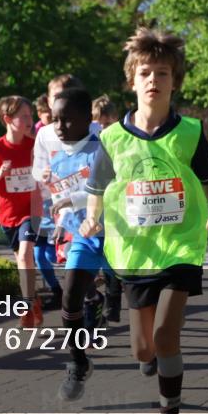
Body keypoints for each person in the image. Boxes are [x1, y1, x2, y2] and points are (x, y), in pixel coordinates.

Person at [81, 28, 208, 414]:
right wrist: (92, 216)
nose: (153, 80)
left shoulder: (190, 133)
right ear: (132, 80)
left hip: (180, 246)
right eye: (146, 72)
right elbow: (96, 189)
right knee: (142, 348)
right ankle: (151, 361)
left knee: (167, 333)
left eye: (162, 73)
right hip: (134, 252)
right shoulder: (111, 139)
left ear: (174, 81)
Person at [47, 87, 109, 401]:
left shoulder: (104, 149)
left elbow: (109, 191)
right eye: (56, 120)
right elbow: (61, 199)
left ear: (88, 118)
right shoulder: (58, 158)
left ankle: (151, 349)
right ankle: (77, 361)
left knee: (143, 310)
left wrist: (73, 198)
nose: (60, 127)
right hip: (84, 238)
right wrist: (60, 224)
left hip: (118, 238)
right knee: (70, 298)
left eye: (68, 120)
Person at [0, 95, 41, 327]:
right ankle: (33, 299)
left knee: (26, 255)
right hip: (8, 215)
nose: (30, 120)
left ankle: (26, 306)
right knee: (22, 261)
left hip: (32, 211)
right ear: (8, 119)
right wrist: (0, 174)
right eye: (24, 116)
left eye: (31, 116)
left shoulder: (35, 145)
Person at [90, 94, 124, 323]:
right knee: (92, 260)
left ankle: (113, 292)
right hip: (95, 208)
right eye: (99, 123)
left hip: (119, 209)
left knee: (111, 257)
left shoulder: (122, 141)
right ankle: (95, 306)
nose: (103, 128)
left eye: (107, 123)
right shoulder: (92, 144)